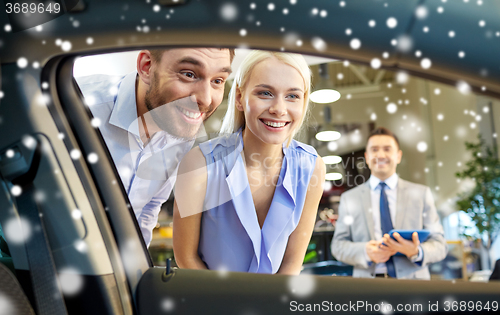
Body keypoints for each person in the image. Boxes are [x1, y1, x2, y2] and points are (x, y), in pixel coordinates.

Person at [172, 50, 325, 275]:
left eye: (292, 96)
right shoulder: (199, 163)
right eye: (265, 93)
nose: (279, 109)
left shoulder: (312, 168)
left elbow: (292, 264)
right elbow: (186, 258)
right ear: (239, 98)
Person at [77, 48, 234, 246]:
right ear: (147, 66)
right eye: (188, 74)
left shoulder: (179, 126)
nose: (206, 99)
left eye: (217, 80)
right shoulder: (77, 108)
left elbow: (147, 208)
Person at [331, 127, 447, 279]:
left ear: (398, 156)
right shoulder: (349, 198)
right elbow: (338, 246)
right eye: (374, 149)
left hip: (412, 286)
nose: (380, 155)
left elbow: (440, 245)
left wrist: (415, 251)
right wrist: (365, 251)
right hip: (368, 287)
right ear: (366, 157)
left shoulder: (421, 194)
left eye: (387, 149)